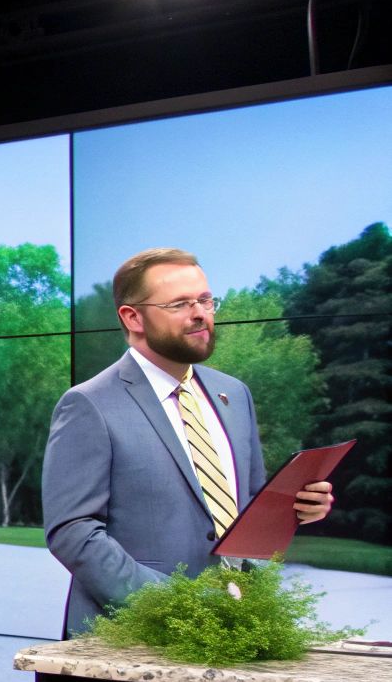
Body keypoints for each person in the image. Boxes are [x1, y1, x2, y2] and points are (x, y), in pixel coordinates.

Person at [42, 247, 334, 637]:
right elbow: (73, 532)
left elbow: (247, 507)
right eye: (180, 303)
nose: (201, 313)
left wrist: (296, 508)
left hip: (235, 630)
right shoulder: (89, 404)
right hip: (131, 641)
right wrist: (177, 606)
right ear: (133, 317)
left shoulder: (234, 394)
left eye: (205, 300)